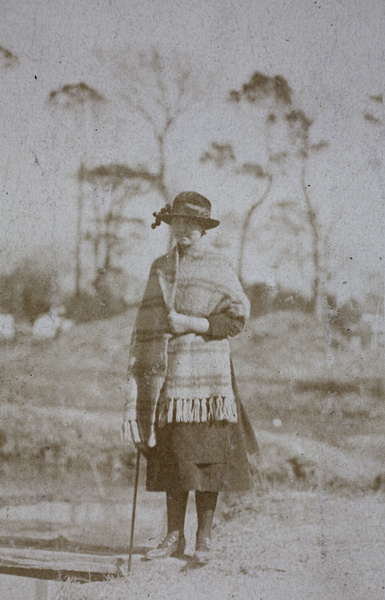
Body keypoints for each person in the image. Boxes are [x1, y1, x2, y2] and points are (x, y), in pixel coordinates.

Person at [123, 191, 258, 564]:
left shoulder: (218, 267)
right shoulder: (159, 268)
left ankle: (205, 538)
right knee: (173, 456)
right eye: (178, 222)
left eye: (192, 223)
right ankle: (173, 536)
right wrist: (141, 369)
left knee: (208, 459)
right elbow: (146, 322)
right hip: (168, 376)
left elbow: (237, 318)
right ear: (171, 226)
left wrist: (193, 323)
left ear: (203, 228)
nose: (184, 229)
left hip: (208, 380)